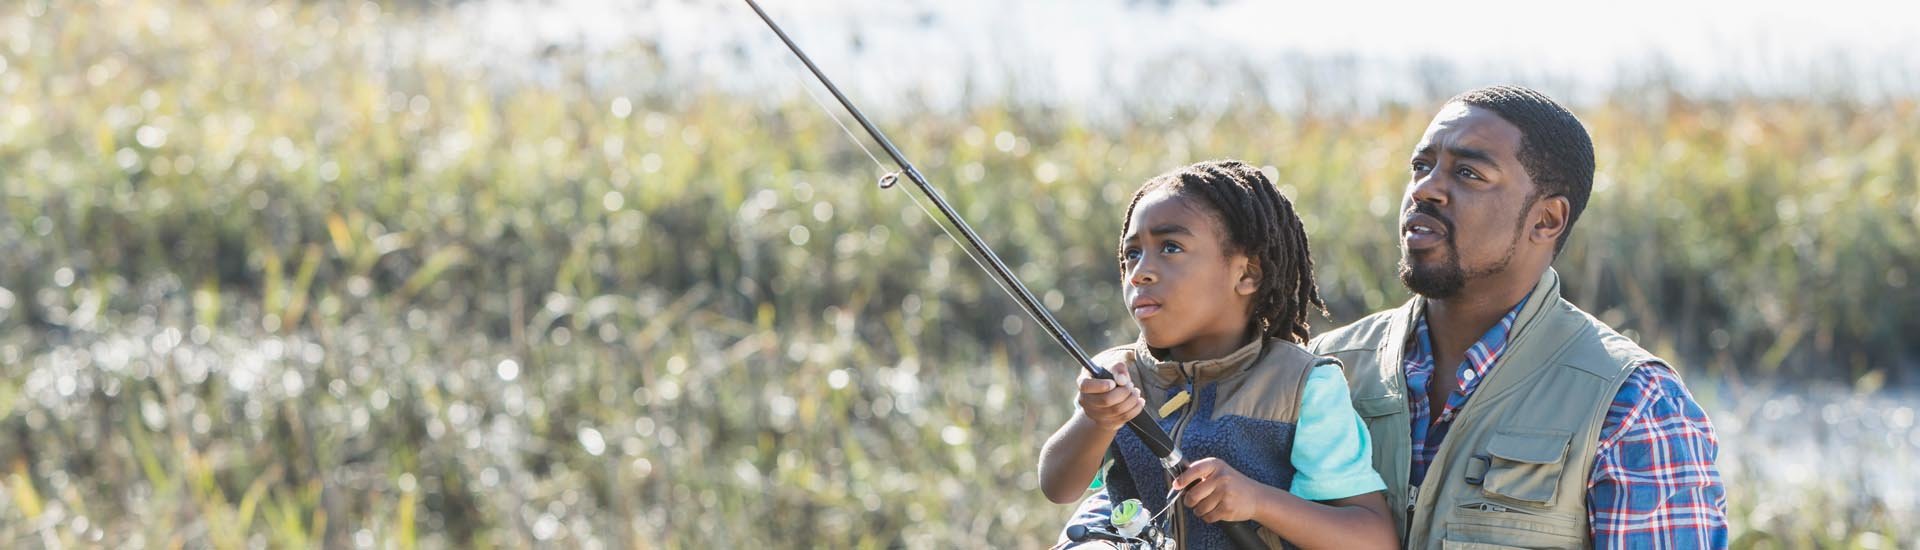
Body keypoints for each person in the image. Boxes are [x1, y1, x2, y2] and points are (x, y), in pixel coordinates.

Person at [1307, 85, 1728, 549]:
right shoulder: (1324, 367)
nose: (1425, 190)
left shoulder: (1632, 402)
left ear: (1546, 219)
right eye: (1421, 166)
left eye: (1468, 173)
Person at [1038, 160, 1397, 549]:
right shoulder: (1118, 374)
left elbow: (1372, 539)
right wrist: (1097, 420)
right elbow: (1058, 486)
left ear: (1247, 274)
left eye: (1170, 248)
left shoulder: (1303, 385)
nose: (1140, 273)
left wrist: (1257, 500)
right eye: (1132, 255)